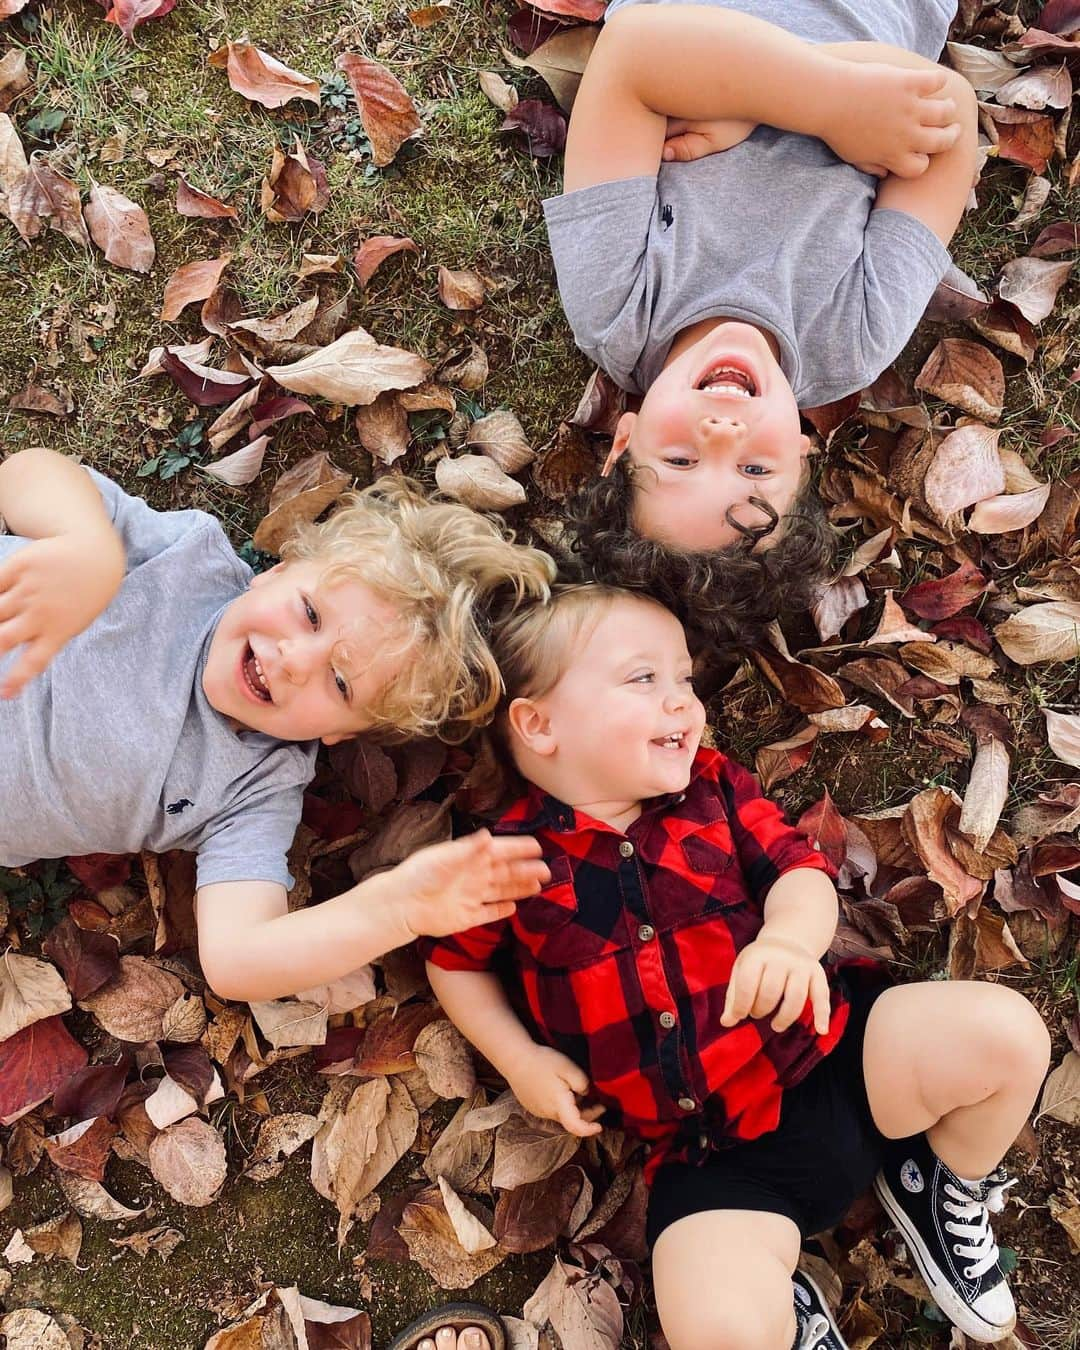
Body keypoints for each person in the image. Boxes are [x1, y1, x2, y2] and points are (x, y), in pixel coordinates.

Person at [422, 585, 1051, 1349]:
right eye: (644, 679)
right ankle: (778, 1318)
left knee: (1007, 1035)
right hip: (710, 1159)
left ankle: (933, 1178)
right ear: (539, 724)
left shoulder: (713, 789)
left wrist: (788, 942)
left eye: (685, 680)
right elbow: (456, 966)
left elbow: (800, 872)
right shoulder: (509, 863)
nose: (683, 702)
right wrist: (517, 1058)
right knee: (714, 1327)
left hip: (840, 1060)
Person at [0, 447, 556, 1001]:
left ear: (344, 733)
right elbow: (24, 473)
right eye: (311, 614)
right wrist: (85, 545)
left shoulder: (257, 789)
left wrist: (395, 909)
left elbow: (237, 962)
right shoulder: (185, 563)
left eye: (340, 685)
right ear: (278, 573)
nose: (296, 660)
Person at [547, 0, 980, 652]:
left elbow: (635, 50)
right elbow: (947, 110)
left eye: (680, 459)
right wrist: (752, 94)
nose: (722, 433)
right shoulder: (851, 337)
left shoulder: (617, 305)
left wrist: (826, 106)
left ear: (623, 444)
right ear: (803, 462)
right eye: (754, 471)